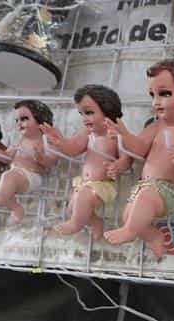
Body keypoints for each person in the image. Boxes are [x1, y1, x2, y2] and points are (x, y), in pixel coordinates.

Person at [104, 59, 174, 256]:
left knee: (140, 207)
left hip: (168, 192)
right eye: (152, 95)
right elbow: (139, 148)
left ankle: (129, 232)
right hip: (145, 187)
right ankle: (153, 236)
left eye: (165, 94)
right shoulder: (157, 126)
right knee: (129, 215)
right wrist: (124, 135)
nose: (156, 102)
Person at [41, 84, 130, 240]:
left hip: (103, 186)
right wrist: (59, 141)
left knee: (81, 200)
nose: (84, 118)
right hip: (84, 184)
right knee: (72, 209)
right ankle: (96, 223)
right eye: (81, 113)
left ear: (107, 110)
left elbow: (127, 157)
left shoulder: (116, 134)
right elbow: (73, 148)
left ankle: (76, 224)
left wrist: (118, 165)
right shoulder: (88, 133)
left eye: (89, 112)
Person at [0, 100, 58, 224]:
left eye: (24, 119)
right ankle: (16, 209)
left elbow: (52, 161)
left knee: (7, 177)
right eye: (17, 120)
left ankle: (0, 199)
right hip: (16, 173)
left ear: (41, 120)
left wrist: (40, 157)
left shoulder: (45, 141)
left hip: (32, 176)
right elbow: (6, 158)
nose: (19, 123)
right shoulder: (19, 140)